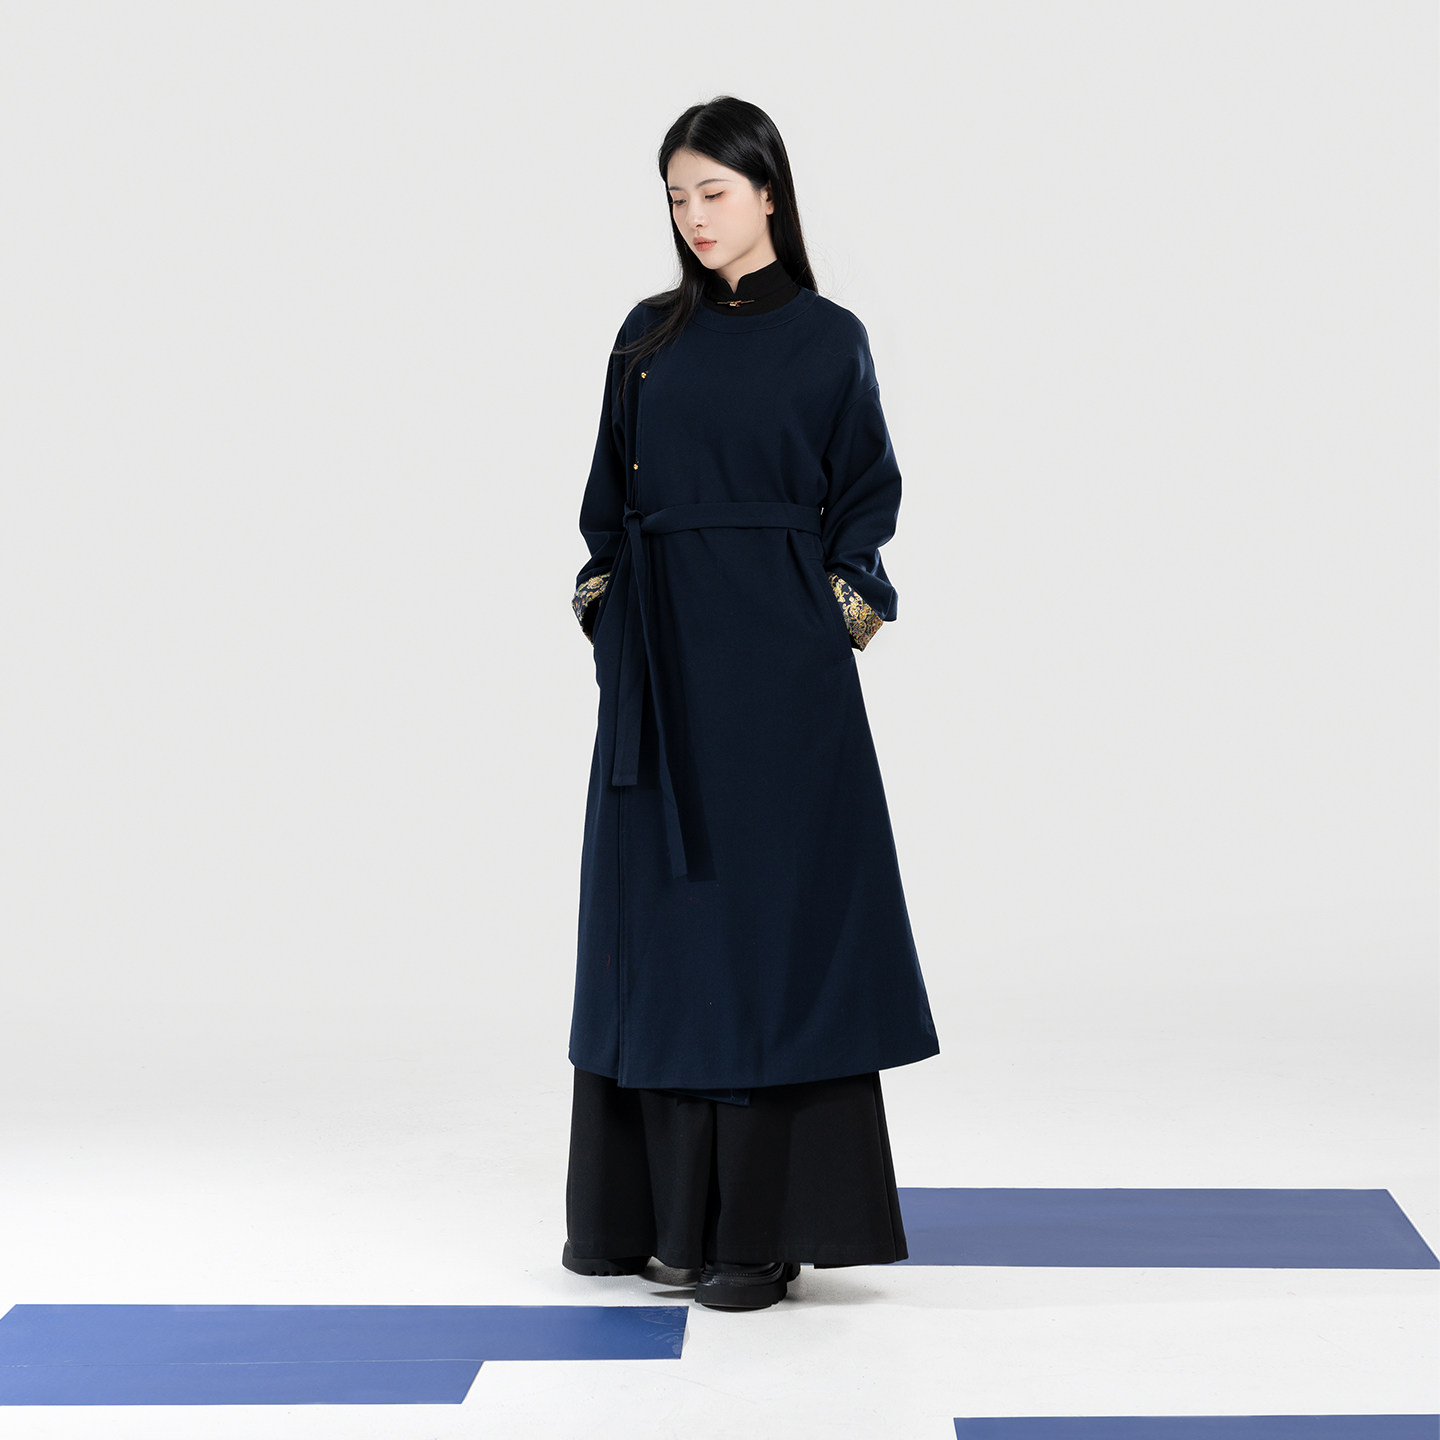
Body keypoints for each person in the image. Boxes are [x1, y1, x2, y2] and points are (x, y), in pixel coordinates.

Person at [563, 96, 939, 1312]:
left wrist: (828, 618)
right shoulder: (647, 336)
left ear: (769, 192)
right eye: (676, 197)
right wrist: (609, 610)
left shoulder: (830, 338)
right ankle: (663, 1222)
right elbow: (605, 504)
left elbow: (865, 498)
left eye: (713, 192)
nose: (694, 216)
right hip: (661, 667)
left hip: (781, 681)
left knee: (770, 934)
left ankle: (762, 1232)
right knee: (670, 932)